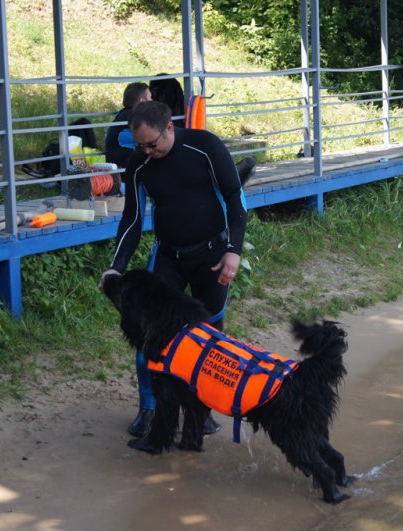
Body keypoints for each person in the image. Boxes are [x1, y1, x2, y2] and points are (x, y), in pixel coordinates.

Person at [99, 100, 247, 438]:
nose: (148, 151)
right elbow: (132, 221)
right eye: (141, 146)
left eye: (153, 144)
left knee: (209, 336)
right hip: (168, 256)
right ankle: (149, 409)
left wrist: (233, 252)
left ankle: (200, 412)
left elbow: (236, 201)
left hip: (212, 255)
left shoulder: (205, 146)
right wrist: (115, 269)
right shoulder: (139, 164)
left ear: (169, 127)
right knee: (149, 335)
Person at [105, 82, 152, 167]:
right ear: (142, 100)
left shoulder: (123, 113)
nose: (152, 101)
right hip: (122, 166)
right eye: (150, 97)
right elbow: (152, 135)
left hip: (118, 161)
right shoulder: (132, 116)